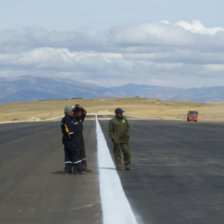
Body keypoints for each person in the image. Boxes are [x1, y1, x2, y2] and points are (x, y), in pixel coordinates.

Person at [61, 106, 85, 175]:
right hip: (70, 140)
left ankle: (67, 170)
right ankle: (80, 170)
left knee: (68, 155)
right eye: (71, 111)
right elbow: (69, 131)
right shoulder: (68, 119)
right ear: (68, 112)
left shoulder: (64, 119)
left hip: (66, 140)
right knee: (75, 154)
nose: (72, 112)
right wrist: (71, 137)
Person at [72, 104, 92, 173]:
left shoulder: (80, 119)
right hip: (74, 140)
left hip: (80, 139)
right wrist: (75, 108)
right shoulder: (72, 120)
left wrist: (82, 108)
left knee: (82, 154)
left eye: (81, 112)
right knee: (75, 154)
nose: (81, 113)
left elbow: (85, 113)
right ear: (76, 113)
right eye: (79, 112)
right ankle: (75, 168)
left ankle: (84, 167)